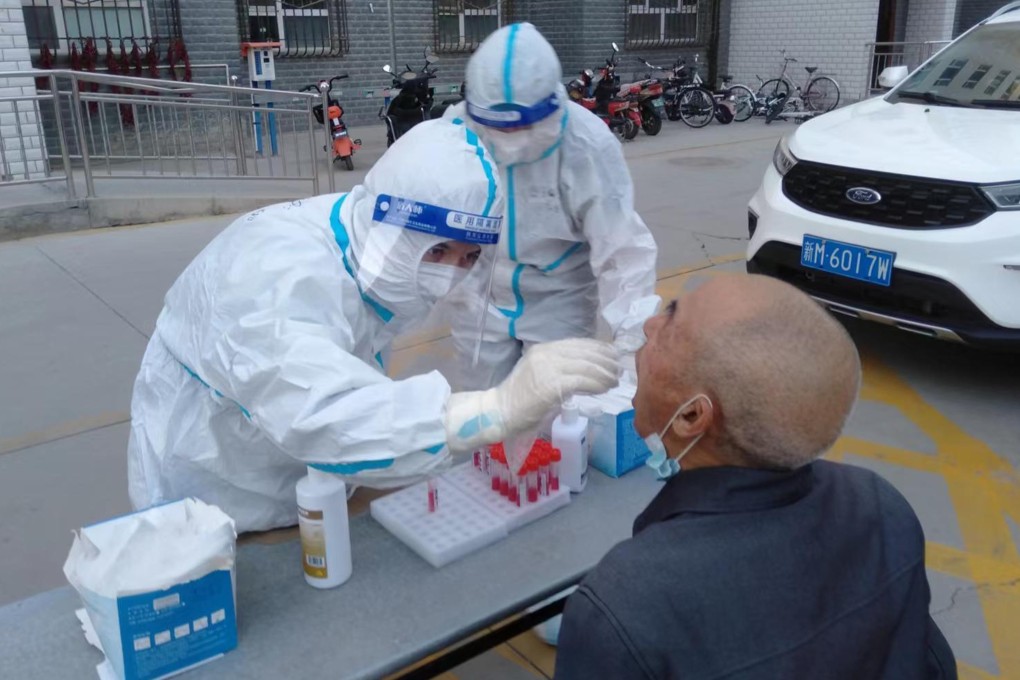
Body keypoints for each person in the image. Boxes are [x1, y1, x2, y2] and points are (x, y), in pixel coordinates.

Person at [127, 119, 620, 533]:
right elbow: (320, 411)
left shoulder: (363, 241)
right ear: (393, 224)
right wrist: (495, 410)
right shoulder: (273, 274)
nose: (450, 273)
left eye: (469, 256)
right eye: (439, 251)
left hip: (309, 482)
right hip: (218, 496)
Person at [554, 274, 957, 680]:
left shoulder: (624, 608)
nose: (649, 325)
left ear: (693, 416)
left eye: (671, 322)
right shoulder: (881, 507)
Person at [443, 22, 659, 390]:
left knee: (555, 414)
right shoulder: (454, 130)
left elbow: (621, 251)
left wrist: (632, 339)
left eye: (521, 128)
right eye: (498, 129)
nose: (509, 142)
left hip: (559, 297)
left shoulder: (586, 145)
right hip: (479, 292)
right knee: (480, 413)